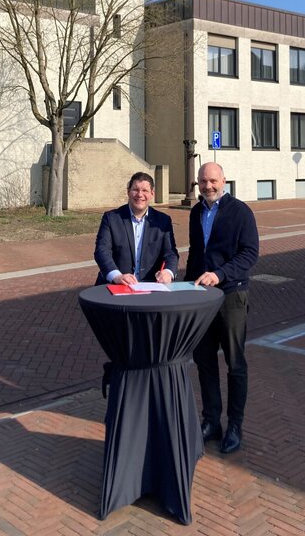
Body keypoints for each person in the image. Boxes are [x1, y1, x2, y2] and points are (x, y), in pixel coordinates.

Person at [184, 162, 259, 454]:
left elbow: (250, 253)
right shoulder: (196, 212)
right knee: (204, 362)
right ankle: (211, 421)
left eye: (213, 181)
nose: (208, 186)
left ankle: (235, 425)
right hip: (201, 300)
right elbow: (195, 253)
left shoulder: (240, 212)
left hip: (231, 297)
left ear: (224, 181)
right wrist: (187, 287)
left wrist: (221, 274)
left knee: (235, 363)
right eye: (203, 181)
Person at [94, 171, 179, 285]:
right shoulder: (111, 218)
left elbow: (171, 254)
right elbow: (102, 251)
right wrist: (117, 276)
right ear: (128, 192)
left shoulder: (163, 221)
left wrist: (168, 273)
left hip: (150, 287)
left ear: (152, 194)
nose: (140, 194)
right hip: (116, 285)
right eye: (135, 189)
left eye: (145, 190)